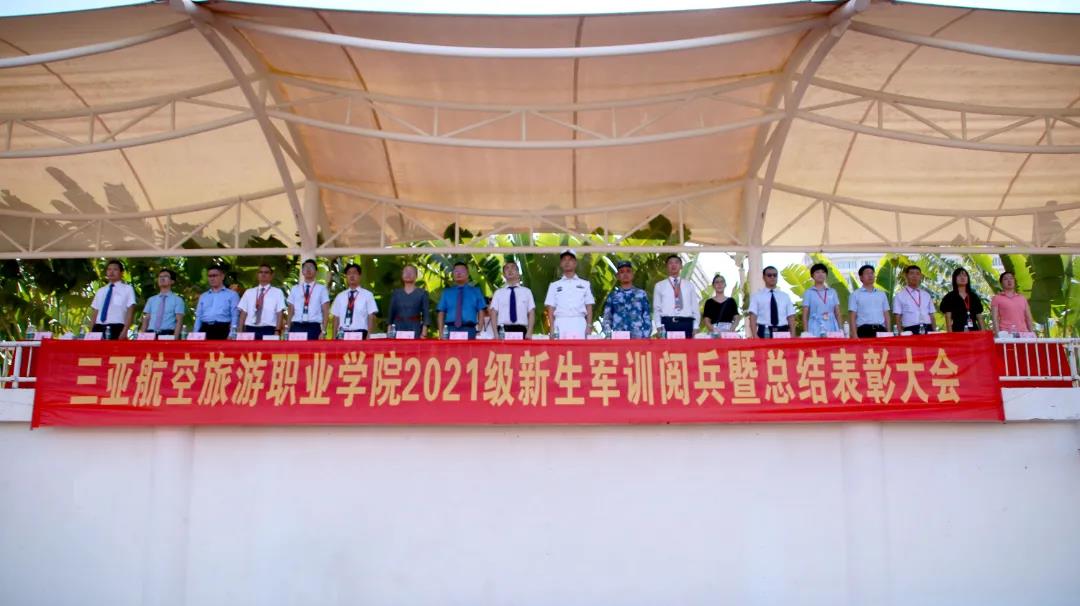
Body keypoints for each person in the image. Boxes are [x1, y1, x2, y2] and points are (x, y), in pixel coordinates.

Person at [544, 249, 594, 338]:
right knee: (561, 347)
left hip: (579, 323)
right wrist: (552, 327)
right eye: (564, 260)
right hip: (560, 323)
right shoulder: (554, 285)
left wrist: (589, 325)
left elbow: (589, 306)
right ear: (561, 264)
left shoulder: (585, 284)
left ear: (575, 263)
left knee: (580, 347)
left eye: (570, 259)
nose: (567, 262)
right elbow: (550, 308)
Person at [653, 254, 700, 338]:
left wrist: (696, 327)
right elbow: (657, 308)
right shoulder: (659, 285)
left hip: (686, 323)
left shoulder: (689, 285)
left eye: (676, 262)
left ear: (681, 266)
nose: (673, 265)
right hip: (667, 324)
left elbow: (695, 307)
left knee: (686, 346)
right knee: (668, 347)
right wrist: (658, 326)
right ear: (666, 266)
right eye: (670, 263)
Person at [436, 262, 487, 339]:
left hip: (470, 329)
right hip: (450, 329)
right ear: (453, 274)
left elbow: (481, 311)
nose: (459, 273)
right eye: (456, 271)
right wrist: (440, 332)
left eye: (462, 271)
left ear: (467, 274)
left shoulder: (476, 291)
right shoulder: (446, 292)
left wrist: (479, 330)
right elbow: (441, 312)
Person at [88, 259, 136, 340]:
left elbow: (130, 311)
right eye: (109, 269)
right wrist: (91, 331)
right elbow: (95, 313)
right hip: (98, 327)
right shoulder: (100, 291)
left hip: (117, 327)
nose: (111, 272)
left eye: (115, 269)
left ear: (122, 273)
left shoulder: (127, 289)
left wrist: (125, 330)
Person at [602, 260, 651, 338]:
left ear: (632, 274)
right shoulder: (613, 296)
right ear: (617, 276)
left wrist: (644, 336)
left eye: (628, 271)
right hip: (619, 337)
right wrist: (610, 336)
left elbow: (647, 317)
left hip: (638, 337)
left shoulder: (641, 294)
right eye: (622, 272)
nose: (625, 274)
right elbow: (607, 319)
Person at [237, 264, 286, 340]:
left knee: (267, 348)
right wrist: (239, 331)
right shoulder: (249, 292)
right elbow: (243, 313)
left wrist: (277, 331)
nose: (263, 274)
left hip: (269, 329)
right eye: (261, 272)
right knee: (249, 348)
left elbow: (280, 313)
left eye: (266, 272)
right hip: (250, 328)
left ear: (271, 275)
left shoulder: (278, 292)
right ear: (257, 275)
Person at [489, 260, 535, 338]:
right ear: (504, 274)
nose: (510, 270)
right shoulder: (498, 293)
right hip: (503, 330)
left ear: (518, 273)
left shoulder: (527, 292)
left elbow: (531, 312)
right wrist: (495, 333)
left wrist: (529, 332)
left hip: (521, 329)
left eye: (513, 268)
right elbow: (493, 313)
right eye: (507, 268)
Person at [330, 263, 378, 339]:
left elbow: (371, 316)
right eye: (349, 273)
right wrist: (333, 337)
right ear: (346, 277)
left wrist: (369, 335)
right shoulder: (340, 296)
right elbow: (336, 317)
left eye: (354, 273)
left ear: (360, 276)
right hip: (342, 334)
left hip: (360, 333)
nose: (351, 276)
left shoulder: (368, 295)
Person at [286, 259, 330, 340]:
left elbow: (326, 311)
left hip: (313, 327)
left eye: (311, 267)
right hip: (296, 326)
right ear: (302, 272)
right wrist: (287, 329)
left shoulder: (322, 289)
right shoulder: (295, 289)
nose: (308, 269)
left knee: (311, 349)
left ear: (316, 272)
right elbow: (290, 310)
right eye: (306, 267)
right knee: (294, 348)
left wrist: (323, 331)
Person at [747, 266, 796, 338]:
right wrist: (755, 335)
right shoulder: (756, 296)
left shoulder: (785, 296)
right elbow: (753, 317)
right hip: (764, 331)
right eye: (769, 275)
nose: (772, 277)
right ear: (764, 277)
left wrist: (793, 335)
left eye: (775, 275)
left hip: (783, 332)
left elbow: (791, 316)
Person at [194, 264, 240, 340]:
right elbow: (198, 316)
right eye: (210, 276)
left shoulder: (232, 295)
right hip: (205, 329)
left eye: (215, 275)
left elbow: (235, 316)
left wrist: (232, 333)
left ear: (222, 277)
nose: (212, 278)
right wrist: (195, 333)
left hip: (223, 329)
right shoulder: (203, 296)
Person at [139, 268, 186, 338]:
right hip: (150, 334)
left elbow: (179, 321)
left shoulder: (178, 300)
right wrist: (142, 337)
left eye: (165, 276)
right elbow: (146, 320)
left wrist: (175, 339)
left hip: (167, 334)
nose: (162, 278)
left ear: (172, 281)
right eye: (160, 276)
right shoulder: (151, 300)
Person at [387, 264, 430, 338]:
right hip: (398, 327)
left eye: (411, 272)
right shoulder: (396, 293)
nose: (408, 274)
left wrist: (424, 332)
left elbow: (426, 313)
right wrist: (389, 331)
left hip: (415, 327)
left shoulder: (422, 293)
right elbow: (391, 313)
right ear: (402, 275)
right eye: (406, 272)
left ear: (416, 276)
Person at [848, 265, 891, 338]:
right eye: (867, 273)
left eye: (872, 273)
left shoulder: (882, 294)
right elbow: (852, 316)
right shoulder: (855, 295)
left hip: (881, 330)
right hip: (863, 330)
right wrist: (854, 335)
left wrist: (889, 333)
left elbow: (886, 314)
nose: (870, 275)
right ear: (861, 277)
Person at [892, 265, 936, 334]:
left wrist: (935, 332)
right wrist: (900, 333)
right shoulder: (899, 295)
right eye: (912, 273)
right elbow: (897, 317)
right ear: (906, 276)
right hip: (910, 330)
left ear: (920, 277)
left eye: (917, 274)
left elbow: (932, 316)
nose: (915, 276)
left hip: (928, 328)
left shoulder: (926, 295)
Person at [801, 263, 841, 337]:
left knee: (833, 344)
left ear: (826, 275)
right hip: (815, 326)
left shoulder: (832, 292)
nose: (820, 274)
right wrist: (806, 332)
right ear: (812, 275)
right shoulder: (808, 292)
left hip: (831, 325)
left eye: (823, 272)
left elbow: (837, 312)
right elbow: (805, 314)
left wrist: (840, 329)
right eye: (817, 272)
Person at [940, 267, 985, 333]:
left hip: (974, 332)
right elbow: (948, 318)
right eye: (959, 275)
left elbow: (979, 317)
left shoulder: (974, 296)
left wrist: (983, 334)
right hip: (957, 332)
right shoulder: (949, 297)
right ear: (954, 279)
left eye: (965, 275)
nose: (962, 277)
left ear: (968, 278)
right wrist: (950, 335)